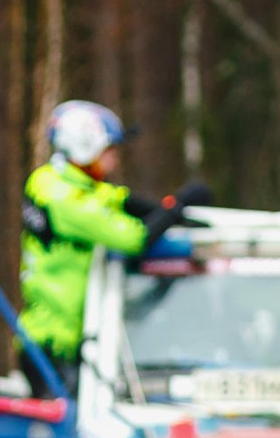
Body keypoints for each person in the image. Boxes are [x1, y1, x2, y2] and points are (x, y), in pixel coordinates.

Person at [19, 101, 208, 396]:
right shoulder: (63, 199)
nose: (115, 160)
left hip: (64, 341)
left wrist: (168, 211)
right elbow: (133, 238)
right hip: (53, 347)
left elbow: (116, 199)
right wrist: (177, 206)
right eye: (109, 150)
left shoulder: (56, 181)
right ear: (85, 148)